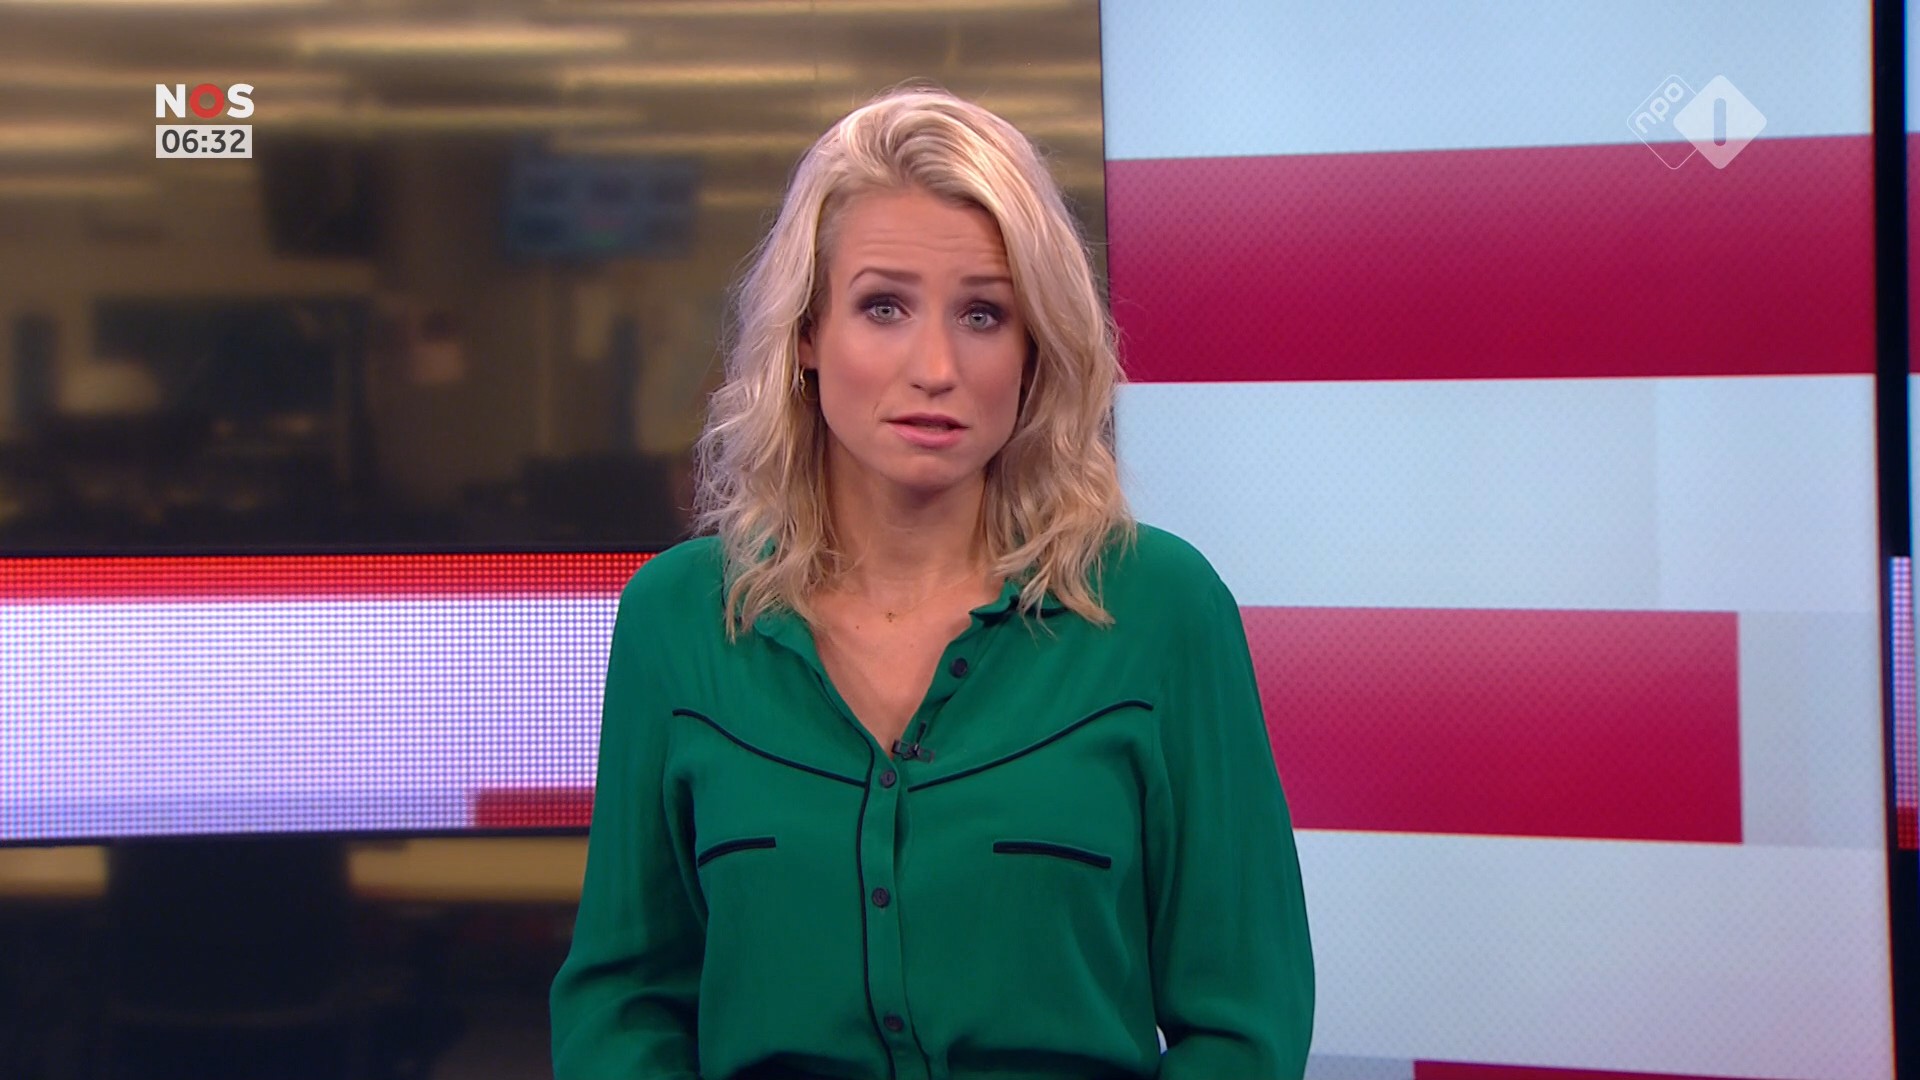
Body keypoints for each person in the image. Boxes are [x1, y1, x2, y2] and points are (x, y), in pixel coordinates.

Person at [549, 84, 1314, 1080]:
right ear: (807, 333)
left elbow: (1246, 1024)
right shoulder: (679, 617)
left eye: (984, 314)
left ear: (1034, 347)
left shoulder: (1160, 609)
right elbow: (621, 1003)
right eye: (884, 307)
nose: (936, 366)